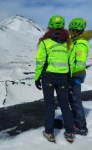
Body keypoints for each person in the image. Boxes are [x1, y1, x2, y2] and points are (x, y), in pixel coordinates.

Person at [35, 15, 75, 143]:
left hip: (48, 77)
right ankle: (69, 133)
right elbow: (72, 63)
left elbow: (40, 61)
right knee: (65, 105)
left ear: (49, 27)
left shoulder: (45, 42)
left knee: (50, 105)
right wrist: (70, 77)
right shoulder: (69, 42)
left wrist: (37, 78)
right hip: (63, 78)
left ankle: (49, 132)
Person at [68, 18, 92, 136]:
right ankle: (76, 122)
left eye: (72, 30)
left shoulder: (81, 43)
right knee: (73, 100)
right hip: (75, 74)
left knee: (75, 101)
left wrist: (68, 72)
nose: (70, 32)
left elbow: (80, 62)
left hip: (75, 75)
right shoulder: (77, 41)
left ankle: (81, 127)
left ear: (77, 30)